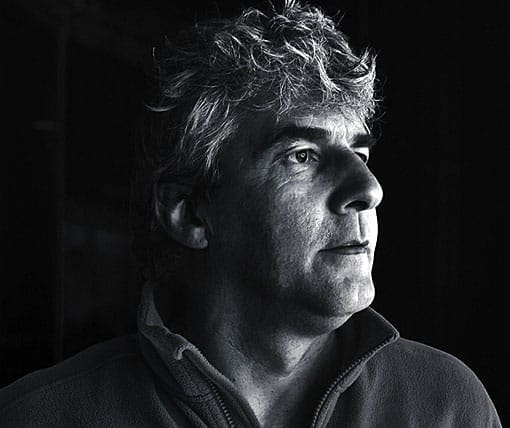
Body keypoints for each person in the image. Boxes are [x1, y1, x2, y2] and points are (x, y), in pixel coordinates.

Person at [0, 1, 502, 426]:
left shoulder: (446, 405)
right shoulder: (39, 417)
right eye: (302, 156)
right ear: (190, 213)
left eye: (360, 154)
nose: (369, 189)